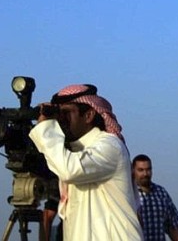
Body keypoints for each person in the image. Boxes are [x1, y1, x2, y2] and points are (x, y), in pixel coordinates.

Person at [29, 84, 143, 240]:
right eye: (58, 114)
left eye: (67, 113)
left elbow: (70, 170)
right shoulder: (70, 153)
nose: (61, 120)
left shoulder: (110, 146)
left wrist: (45, 129)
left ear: (88, 115)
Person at [132, 154, 178, 241]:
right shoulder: (129, 194)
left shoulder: (161, 193)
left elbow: (173, 226)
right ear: (133, 171)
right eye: (140, 170)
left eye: (148, 170)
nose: (145, 174)